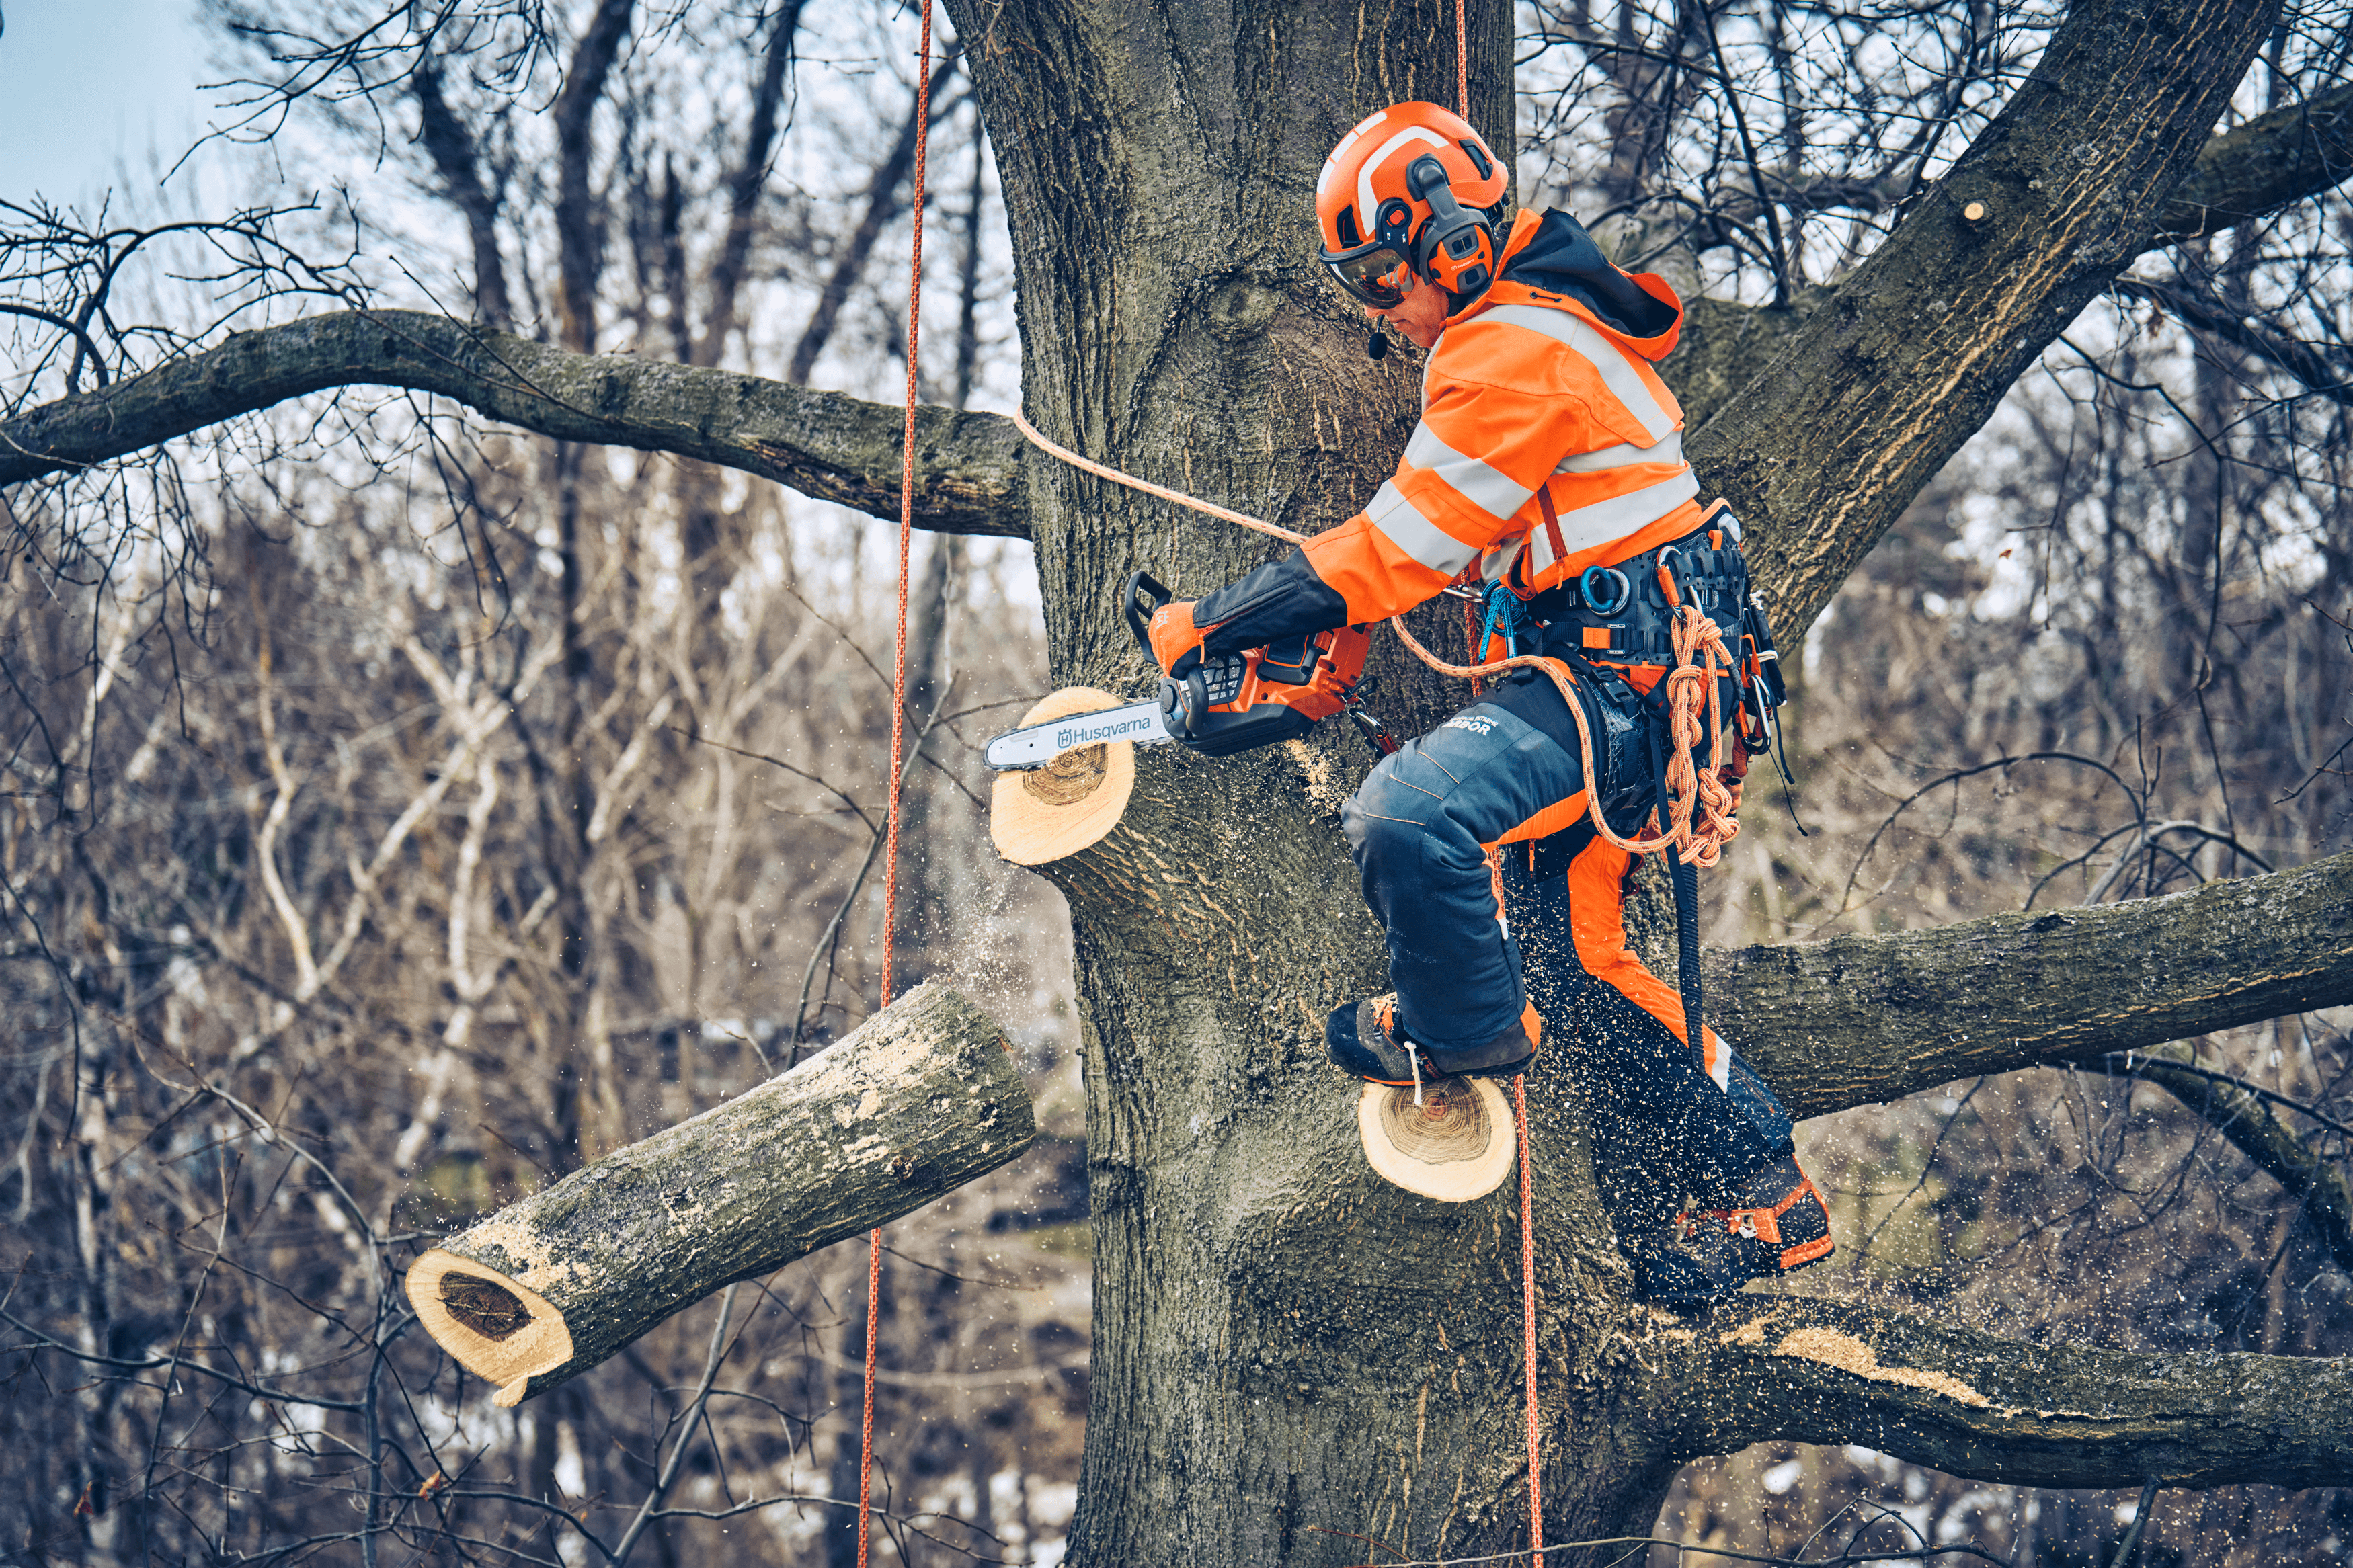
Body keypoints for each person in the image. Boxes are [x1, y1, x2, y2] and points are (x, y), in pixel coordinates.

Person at [1144, 102, 1831, 1303]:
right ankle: (1766, 1197)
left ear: (1447, 240)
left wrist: (1212, 623)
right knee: (1590, 965)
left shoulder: (1510, 347)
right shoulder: (1534, 336)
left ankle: (1455, 1033)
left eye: (1376, 276)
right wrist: (1329, 659)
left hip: (1626, 680)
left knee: (1411, 814)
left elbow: (1401, 546)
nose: (1376, 312)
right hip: (1615, 671)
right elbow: (1452, 539)